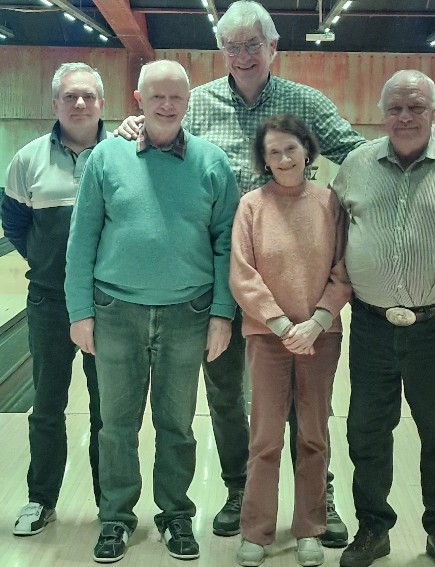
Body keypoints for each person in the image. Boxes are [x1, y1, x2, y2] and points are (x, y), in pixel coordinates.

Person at [116, 0, 435, 546]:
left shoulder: (306, 102)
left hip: (299, 283)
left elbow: (365, 154)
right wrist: (132, 123)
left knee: (309, 403)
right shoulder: (196, 104)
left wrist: (428, 134)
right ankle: (240, 490)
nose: (243, 55)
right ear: (222, 50)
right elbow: (158, 139)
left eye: (253, 44)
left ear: (273, 47)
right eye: (232, 46)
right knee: (227, 395)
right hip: (225, 276)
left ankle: (317, 496)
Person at [64, 60, 239, 564]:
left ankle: (176, 514)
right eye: (157, 96)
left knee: (177, 425)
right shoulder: (106, 156)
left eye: (176, 97)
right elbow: (82, 239)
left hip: (189, 312)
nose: (167, 105)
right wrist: (80, 311)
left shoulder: (211, 162)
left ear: (188, 101)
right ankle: (116, 518)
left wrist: (222, 314)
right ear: (139, 99)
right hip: (115, 311)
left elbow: (226, 245)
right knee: (116, 425)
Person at [333, 69, 435, 567]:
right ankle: (373, 529)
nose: (405, 117)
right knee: (366, 431)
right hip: (371, 326)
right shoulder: (356, 165)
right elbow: (335, 227)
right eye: (396, 108)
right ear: (382, 113)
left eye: (416, 107)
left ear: (434, 111)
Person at [229, 113, 351, 567]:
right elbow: (242, 274)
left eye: (291, 149)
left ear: (307, 150)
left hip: (320, 336)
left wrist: (318, 320)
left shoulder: (329, 203)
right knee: (265, 438)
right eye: (274, 152)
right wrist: (281, 324)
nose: (283, 158)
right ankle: (256, 532)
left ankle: (309, 529)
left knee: (313, 436)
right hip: (268, 338)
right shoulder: (251, 205)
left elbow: (343, 269)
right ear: (264, 159)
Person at [1, 62, 106, 536]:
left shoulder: (123, 153)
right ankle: (41, 500)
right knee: (46, 407)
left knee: (108, 412)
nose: (78, 103)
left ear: (101, 102)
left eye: (87, 95)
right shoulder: (27, 160)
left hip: (107, 305)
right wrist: (46, 263)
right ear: (54, 103)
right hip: (48, 303)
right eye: (69, 96)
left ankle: (111, 506)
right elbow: (14, 223)